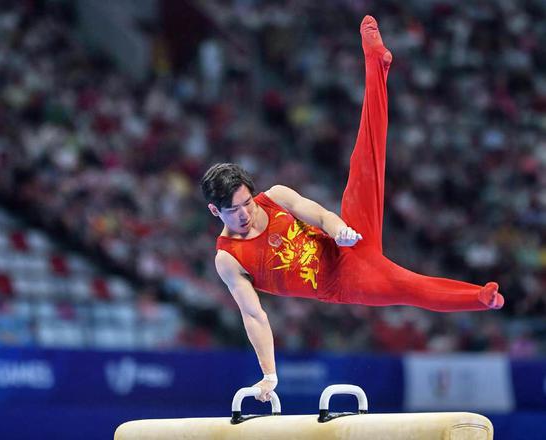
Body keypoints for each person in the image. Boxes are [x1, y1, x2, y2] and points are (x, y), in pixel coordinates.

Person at [200, 16, 504, 403]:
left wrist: (339, 229)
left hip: (347, 238)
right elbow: (254, 314)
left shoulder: (275, 196)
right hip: (348, 281)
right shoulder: (228, 259)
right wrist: (269, 374)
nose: (244, 214)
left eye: (246, 203)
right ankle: (480, 297)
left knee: (366, 158)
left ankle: (376, 63)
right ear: (215, 211)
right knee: (412, 289)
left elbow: (318, 214)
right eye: (233, 211)